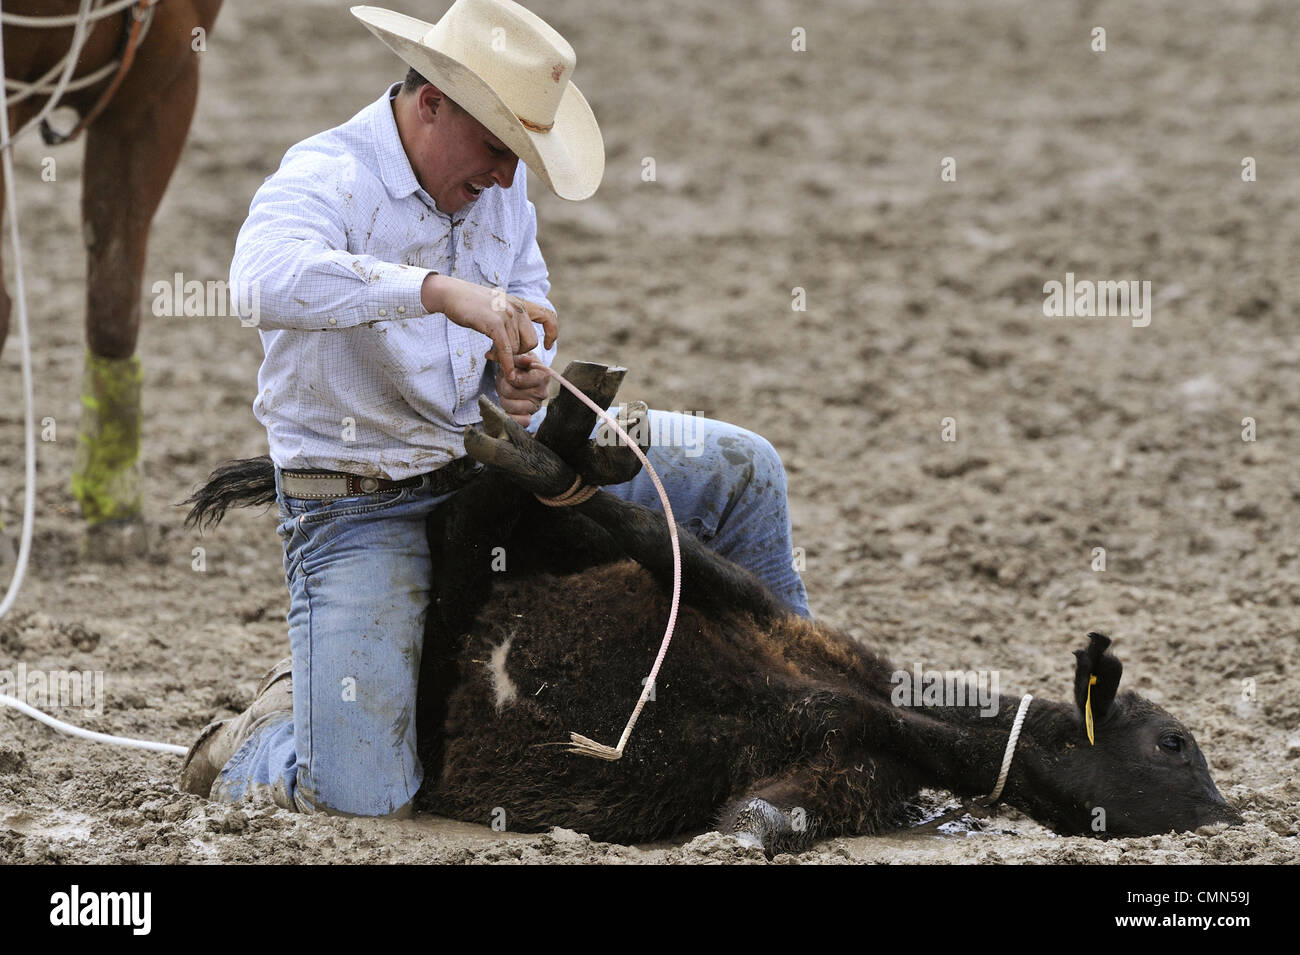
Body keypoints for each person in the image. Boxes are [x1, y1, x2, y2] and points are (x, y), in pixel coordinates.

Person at [179, 0, 809, 817]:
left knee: (744, 468)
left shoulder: (497, 193)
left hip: (492, 466)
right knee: (361, 797)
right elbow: (262, 282)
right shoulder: (324, 174)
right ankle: (262, 735)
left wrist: (522, 374)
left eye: (520, 156)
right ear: (430, 101)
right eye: (496, 149)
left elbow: (527, 298)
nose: (508, 177)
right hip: (360, 509)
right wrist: (438, 292)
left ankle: (805, 692)